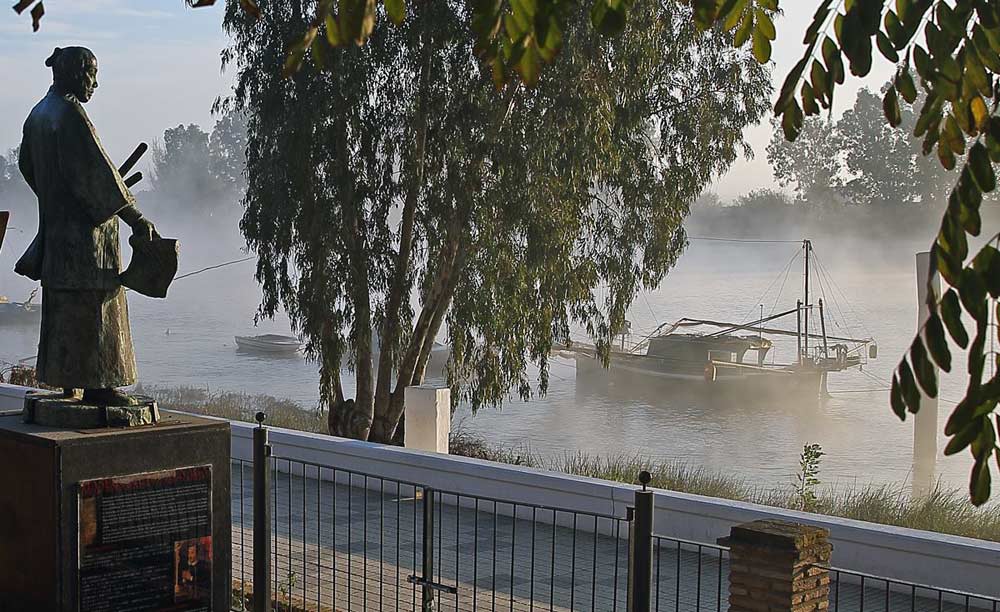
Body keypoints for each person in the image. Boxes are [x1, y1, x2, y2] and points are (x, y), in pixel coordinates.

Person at [15, 46, 156, 406]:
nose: (95, 82)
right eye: (92, 73)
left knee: (63, 309)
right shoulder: (70, 116)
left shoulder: (37, 115)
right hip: (87, 245)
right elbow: (99, 179)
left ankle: (67, 381)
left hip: (57, 238)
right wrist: (137, 221)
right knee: (96, 309)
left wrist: (54, 196)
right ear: (75, 74)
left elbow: (27, 167)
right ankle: (99, 386)